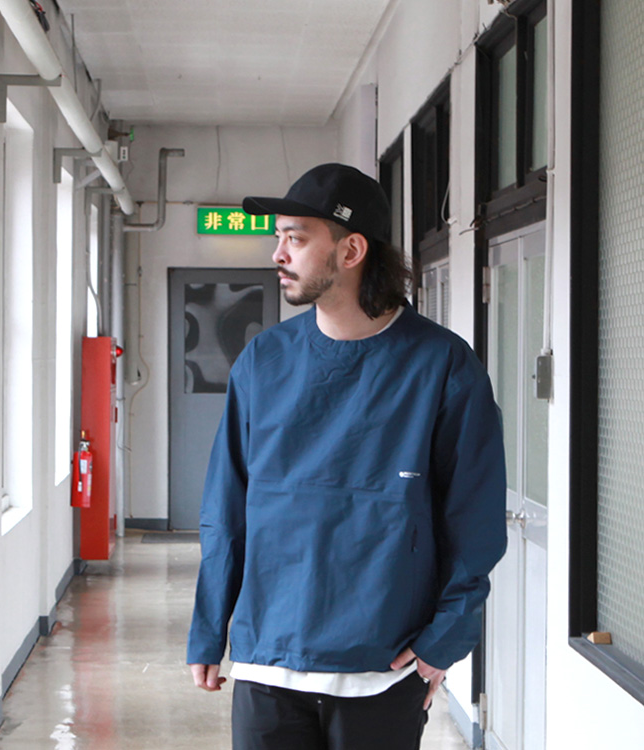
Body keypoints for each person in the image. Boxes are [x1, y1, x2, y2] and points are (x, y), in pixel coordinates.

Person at [186, 163, 507, 750]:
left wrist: (445, 639)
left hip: (381, 665)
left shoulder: (441, 366)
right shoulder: (263, 362)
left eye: (296, 238)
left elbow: (475, 516)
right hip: (269, 661)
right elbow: (226, 508)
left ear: (352, 249)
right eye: (278, 237)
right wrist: (209, 629)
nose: (278, 254)